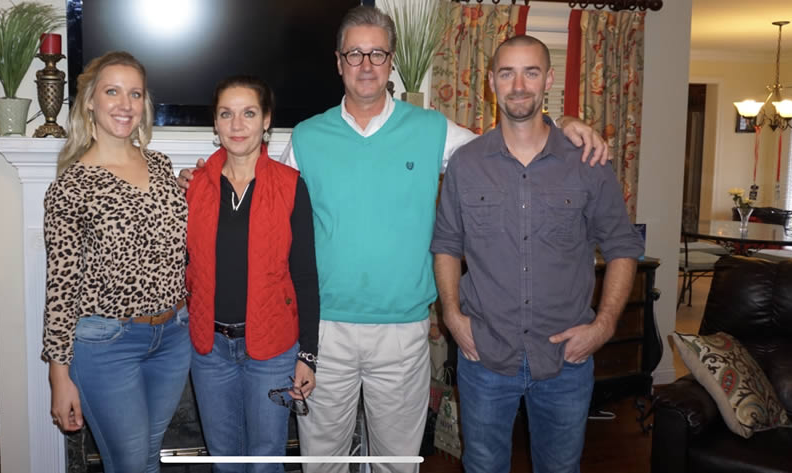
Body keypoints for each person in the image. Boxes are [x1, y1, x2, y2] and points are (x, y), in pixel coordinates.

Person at [179, 8, 608, 472]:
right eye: (354, 54)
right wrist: (203, 179)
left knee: (396, 464)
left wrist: (562, 122)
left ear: (392, 61)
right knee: (321, 463)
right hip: (325, 331)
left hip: (402, 333)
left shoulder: (432, 129)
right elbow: (260, 190)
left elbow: (509, 147)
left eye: (377, 54)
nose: (366, 65)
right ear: (338, 62)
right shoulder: (307, 136)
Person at [430, 35, 643, 473]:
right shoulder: (466, 164)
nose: (519, 85)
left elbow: (623, 246)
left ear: (548, 80)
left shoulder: (587, 161)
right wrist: (452, 316)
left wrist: (604, 325)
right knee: (482, 467)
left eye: (531, 72)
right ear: (491, 82)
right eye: (507, 73)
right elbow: (447, 244)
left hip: (566, 358)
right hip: (485, 355)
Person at [41, 51, 190, 473]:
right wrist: (58, 376)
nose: (125, 104)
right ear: (90, 101)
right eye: (112, 92)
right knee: (130, 463)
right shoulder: (71, 186)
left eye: (135, 94)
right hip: (108, 343)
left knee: (148, 456)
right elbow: (60, 287)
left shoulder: (161, 166)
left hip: (174, 335)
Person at [185, 76, 320, 472]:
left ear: (266, 121)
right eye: (226, 114)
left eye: (248, 113)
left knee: (266, 461)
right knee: (224, 462)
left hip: (273, 350)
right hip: (210, 351)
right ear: (215, 123)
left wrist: (308, 355)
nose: (237, 124)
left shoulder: (291, 186)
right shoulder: (194, 187)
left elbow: (305, 275)